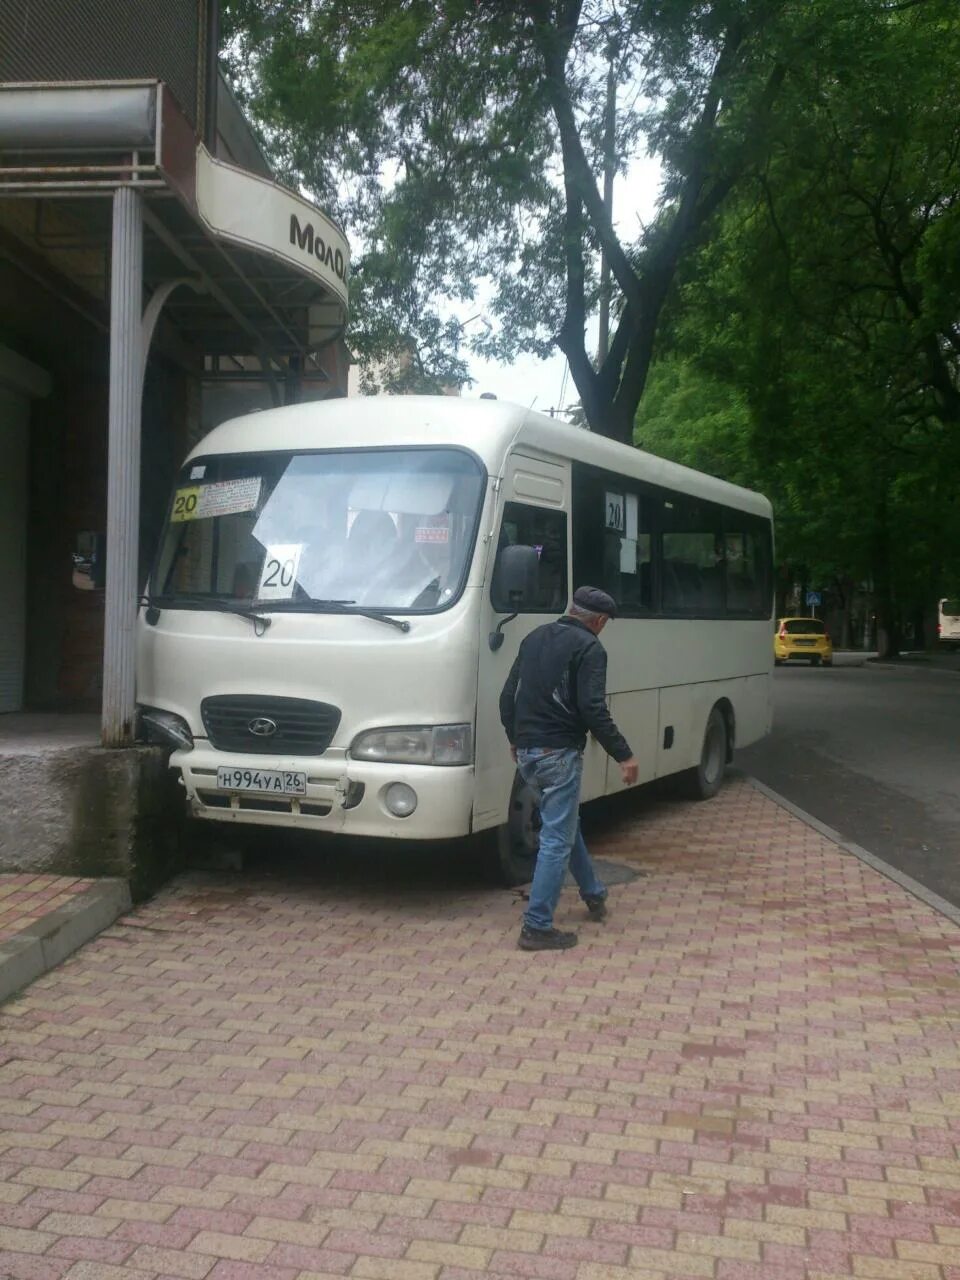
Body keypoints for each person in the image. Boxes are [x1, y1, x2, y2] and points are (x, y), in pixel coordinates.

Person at [499, 586, 640, 951]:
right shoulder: (590, 648)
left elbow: (507, 695)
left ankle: (593, 892)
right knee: (556, 839)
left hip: (529, 753)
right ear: (599, 620)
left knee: (563, 823)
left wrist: (516, 737)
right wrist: (624, 754)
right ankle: (536, 925)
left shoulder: (534, 637)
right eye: (605, 624)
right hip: (558, 754)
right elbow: (593, 708)